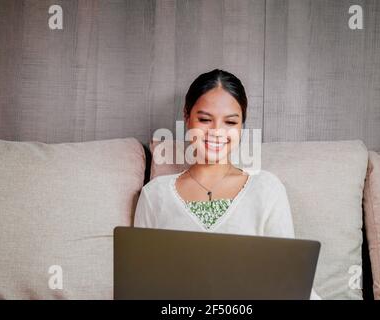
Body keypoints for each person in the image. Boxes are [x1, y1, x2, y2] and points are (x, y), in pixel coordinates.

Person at [134, 69, 321, 300]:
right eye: (205, 119)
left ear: (242, 125)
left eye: (230, 122)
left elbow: (290, 280)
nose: (216, 132)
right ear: (186, 116)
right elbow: (141, 285)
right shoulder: (155, 195)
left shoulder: (267, 189)